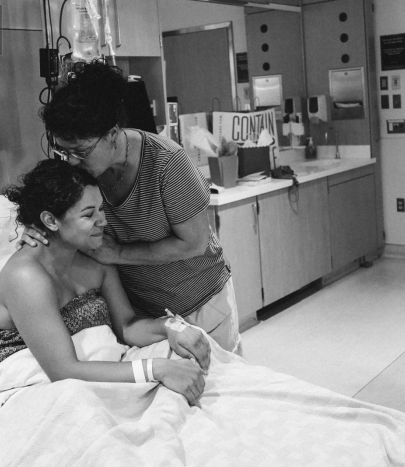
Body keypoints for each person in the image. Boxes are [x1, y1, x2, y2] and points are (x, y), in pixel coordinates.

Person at [23, 60, 241, 355]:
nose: (72, 161)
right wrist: (35, 230)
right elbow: (59, 216)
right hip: (144, 317)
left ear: (112, 134)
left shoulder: (167, 163)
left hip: (202, 300)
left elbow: (195, 243)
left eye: (81, 151)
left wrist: (120, 253)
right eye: (64, 151)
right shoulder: (81, 174)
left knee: (222, 383)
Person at [0, 160, 211, 404]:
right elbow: (63, 371)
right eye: (88, 214)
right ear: (51, 221)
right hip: (39, 388)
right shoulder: (26, 277)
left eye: (101, 209)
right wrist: (156, 369)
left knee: (186, 354)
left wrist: (171, 328)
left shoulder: (97, 257)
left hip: (93, 369)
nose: (103, 221)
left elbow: (126, 326)